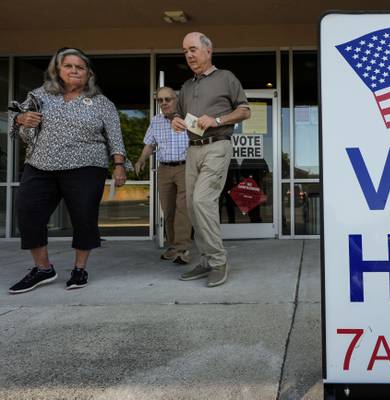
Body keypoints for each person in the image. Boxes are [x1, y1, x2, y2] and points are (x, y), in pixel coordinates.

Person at [7, 47, 129, 294]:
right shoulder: (40, 95)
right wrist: (21, 120)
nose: (74, 70)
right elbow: (15, 117)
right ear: (57, 70)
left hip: (86, 165)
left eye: (80, 67)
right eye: (68, 66)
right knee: (28, 211)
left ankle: (79, 269)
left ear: (89, 74)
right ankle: (42, 268)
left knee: (83, 217)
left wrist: (119, 165)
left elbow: (115, 137)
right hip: (41, 164)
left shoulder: (101, 103)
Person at [171, 32, 250, 287]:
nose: (189, 55)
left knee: (202, 201)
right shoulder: (186, 86)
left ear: (208, 50)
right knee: (193, 208)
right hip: (192, 148)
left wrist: (217, 120)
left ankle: (218, 261)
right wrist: (175, 120)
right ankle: (206, 259)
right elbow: (179, 115)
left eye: (193, 49)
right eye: (185, 51)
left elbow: (245, 110)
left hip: (217, 145)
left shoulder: (226, 77)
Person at [135, 87, 192, 264]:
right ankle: (174, 246)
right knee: (168, 211)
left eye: (168, 99)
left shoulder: (189, 119)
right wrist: (141, 159)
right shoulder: (156, 121)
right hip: (164, 170)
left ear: (176, 99)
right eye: (160, 100)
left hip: (185, 168)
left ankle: (182, 249)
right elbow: (150, 144)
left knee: (183, 209)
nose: (164, 103)